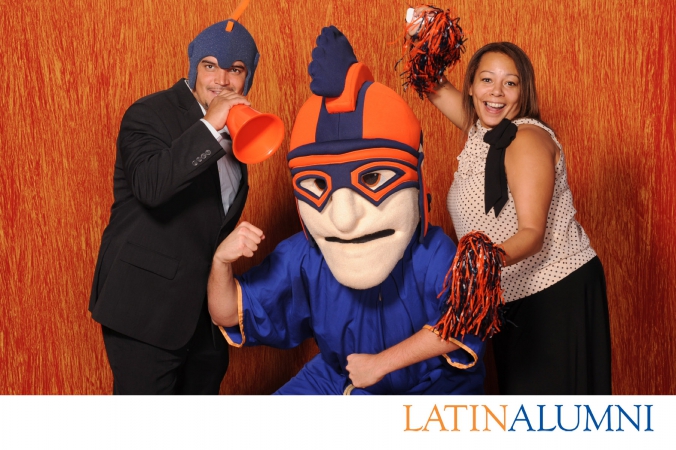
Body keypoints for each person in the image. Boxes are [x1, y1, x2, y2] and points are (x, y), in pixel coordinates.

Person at [207, 26, 490, 395]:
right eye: (319, 185)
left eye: (373, 178)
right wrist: (220, 263)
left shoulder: (435, 254)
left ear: (416, 181)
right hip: (338, 378)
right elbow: (227, 313)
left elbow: (464, 323)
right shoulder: (306, 256)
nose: (343, 218)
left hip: (430, 389)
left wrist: (381, 364)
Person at [414, 14, 611, 394]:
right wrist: (423, 32)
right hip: (510, 298)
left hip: (556, 292)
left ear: (524, 92)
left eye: (510, 83)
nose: (497, 93)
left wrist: (477, 267)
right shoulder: (482, 130)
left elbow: (533, 234)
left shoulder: (526, 139)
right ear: (471, 86)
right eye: (487, 79)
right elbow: (431, 84)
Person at [88, 17, 260, 394]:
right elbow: (151, 186)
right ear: (194, 67)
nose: (222, 80)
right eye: (210, 65)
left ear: (247, 79)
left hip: (203, 322)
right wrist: (210, 126)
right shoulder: (148, 114)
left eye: (235, 70)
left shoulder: (239, 135)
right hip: (144, 311)